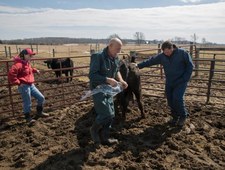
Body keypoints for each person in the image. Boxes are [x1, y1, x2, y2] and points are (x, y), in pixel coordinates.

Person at [137, 41, 194, 127]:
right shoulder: (162, 56)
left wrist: (185, 78)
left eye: (168, 52)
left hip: (181, 81)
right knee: (170, 100)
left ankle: (183, 116)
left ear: (172, 48)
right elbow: (151, 61)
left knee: (177, 98)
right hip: (170, 81)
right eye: (165, 52)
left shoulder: (182, 53)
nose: (167, 54)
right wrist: (138, 65)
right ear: (163, 51)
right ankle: (175, 117)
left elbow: (190, 66)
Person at [89, 38, 128, 146]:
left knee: (111, 114)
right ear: (110, 46)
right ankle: (94, 130)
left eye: (120, 49)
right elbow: (92, 75)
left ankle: (105, 137)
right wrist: (107, 79)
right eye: (117, 49)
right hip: (98, 89)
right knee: (106, 113)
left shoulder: (115, 57)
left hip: (109, 89)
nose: (119, 51)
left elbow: (117, 71)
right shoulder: (98, 56)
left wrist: (121, 80)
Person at [8, 48, 49, 125]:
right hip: (24, 86)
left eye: (31, 55)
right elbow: (11, 75)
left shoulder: (27, 63)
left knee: (41, 98)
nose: (31, 56)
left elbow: (29, 69)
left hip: (31, 84)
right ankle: (28, 118)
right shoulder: (18, 65)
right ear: (24, 55)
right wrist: (19, 83)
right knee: (27, 102)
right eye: (30, 55)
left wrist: (35, 70)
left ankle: (39, 112)